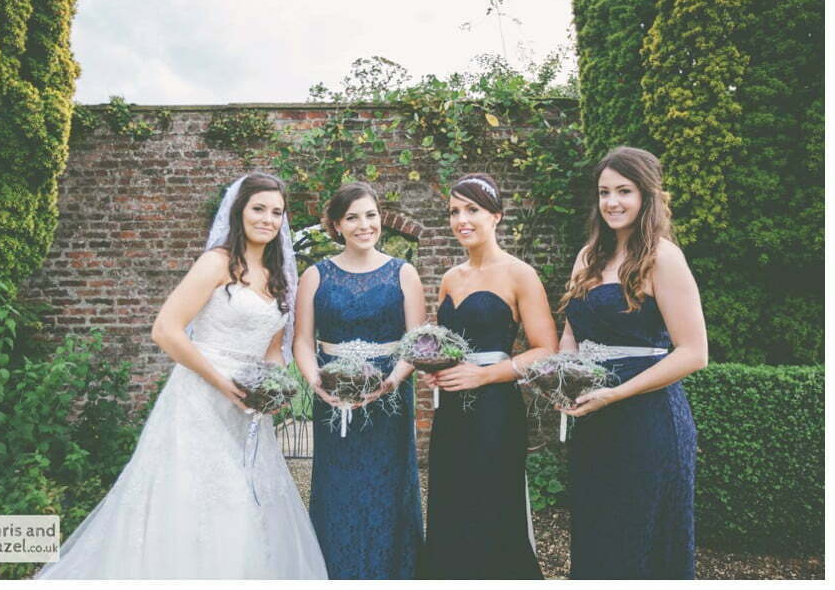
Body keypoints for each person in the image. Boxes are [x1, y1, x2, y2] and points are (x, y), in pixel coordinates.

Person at [36, 173, 327, 579]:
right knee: (213, 497)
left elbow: (271, 351)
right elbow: (166, 330)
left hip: (248, 409)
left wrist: (274, 388)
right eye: (259, 209)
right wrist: (223, 383)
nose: (268, 219)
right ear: (239, 211)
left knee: (252, 498)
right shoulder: (217, 262)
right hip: (200, 400)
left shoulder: (278, 276)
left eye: (276, 212)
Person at [559, 146, 707, 579]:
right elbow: (571, 333)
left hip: (648, 423)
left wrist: (617, 393)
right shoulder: (588, 256)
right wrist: (562, 379)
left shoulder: (663, 257)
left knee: (638, 542)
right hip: (595, 423)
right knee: (598, 538)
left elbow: (694, 352)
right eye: (604, 192)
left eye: (624, 191)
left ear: (647, 195)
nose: (612, 202)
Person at [422, 172, 556, 579]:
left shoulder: (520, 274)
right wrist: (435, 369)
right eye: (454, 212)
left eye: (472, 210)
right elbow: (442, 345)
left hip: (495, 410)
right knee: (450, 501)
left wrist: (484, 376)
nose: (461, 220)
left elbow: (546, 350)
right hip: (451, 411)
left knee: (492, 504)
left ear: (496, 216)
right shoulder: (450, 278)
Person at [294, 181, 424, 579]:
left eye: (371, 215)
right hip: (334, 397)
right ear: (336, 225)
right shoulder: (315, 276)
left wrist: (390, 383)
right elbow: (302, 340)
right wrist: (317, 383)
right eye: (352, 217)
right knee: (338, 488)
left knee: (387, 488)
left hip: (389, 400)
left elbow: (416, 343)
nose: (364, 225)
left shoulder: (404, 273)